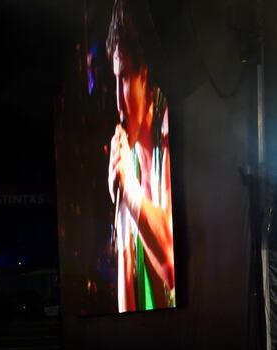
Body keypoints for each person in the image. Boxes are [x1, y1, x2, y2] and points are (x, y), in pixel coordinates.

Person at [106, 0, 174, 312]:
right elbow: (127, 294)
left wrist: (131, 193)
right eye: (114, 81)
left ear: (144, 75)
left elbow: (172, 264)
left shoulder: (168, 130)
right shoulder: (128, 162)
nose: (118, 100)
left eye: (124, 79)